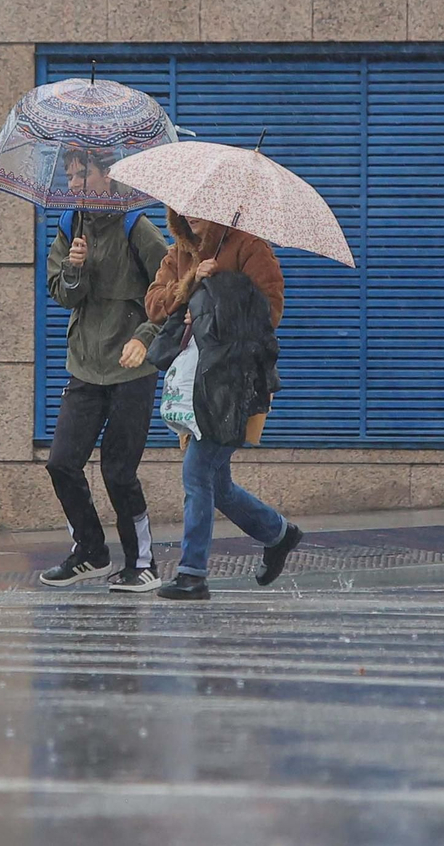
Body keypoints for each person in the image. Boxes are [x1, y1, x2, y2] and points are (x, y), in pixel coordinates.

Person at [143, 208, 303, 601]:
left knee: (197, 473)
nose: (191, 217)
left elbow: (270, 311)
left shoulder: (249, 247)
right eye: (184, 210)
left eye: (200, 210)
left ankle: (192, 572)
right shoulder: (178, 252)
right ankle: (279, 534)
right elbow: (153, 303)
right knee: (218, 484)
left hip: (235, 381)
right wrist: (189, 285)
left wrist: (222, 288)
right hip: (194, 382)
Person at [39, 148, 170, 593]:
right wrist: (74, 269)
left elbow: (172, 294)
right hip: (85, 364)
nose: (75, 183)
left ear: (108, 174)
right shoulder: (68, 227)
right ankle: (91, 552)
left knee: (118, 470)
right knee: (61, 463)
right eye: (70, 176)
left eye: (83, 174)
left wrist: (146, 337)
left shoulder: (138, 227)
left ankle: (142, 562)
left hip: (131, 367)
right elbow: (61, 293)